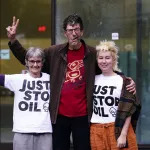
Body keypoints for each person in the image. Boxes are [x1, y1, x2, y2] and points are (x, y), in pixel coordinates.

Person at [6, 14, 136, 150]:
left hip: (83, 116)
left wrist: (125, 80)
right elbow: (30, 59)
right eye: (70, 30)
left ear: (82, 31)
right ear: (65, 33)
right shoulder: (54, 52)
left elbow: (107, 69)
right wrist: (13, 41)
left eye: (77, 29)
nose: (74, 33)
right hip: (59, 115)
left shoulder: (92, 53)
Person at [90, 40, 141, 150]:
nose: (104, 61)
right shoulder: (92, 80)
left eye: (107, 58)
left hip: (118, 128)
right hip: (96, 129)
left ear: (114, 59)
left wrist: (123, 135)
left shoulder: (123, 81)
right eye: (101, 58)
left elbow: (129, 110)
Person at [0, 47, 53, 150]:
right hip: (22, 131)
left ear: (42, 63)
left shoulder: (50, 79)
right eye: (32, 61)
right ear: (26, 62)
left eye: (38, 61)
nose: (35, 65)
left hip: (45, 130)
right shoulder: (18, 79)